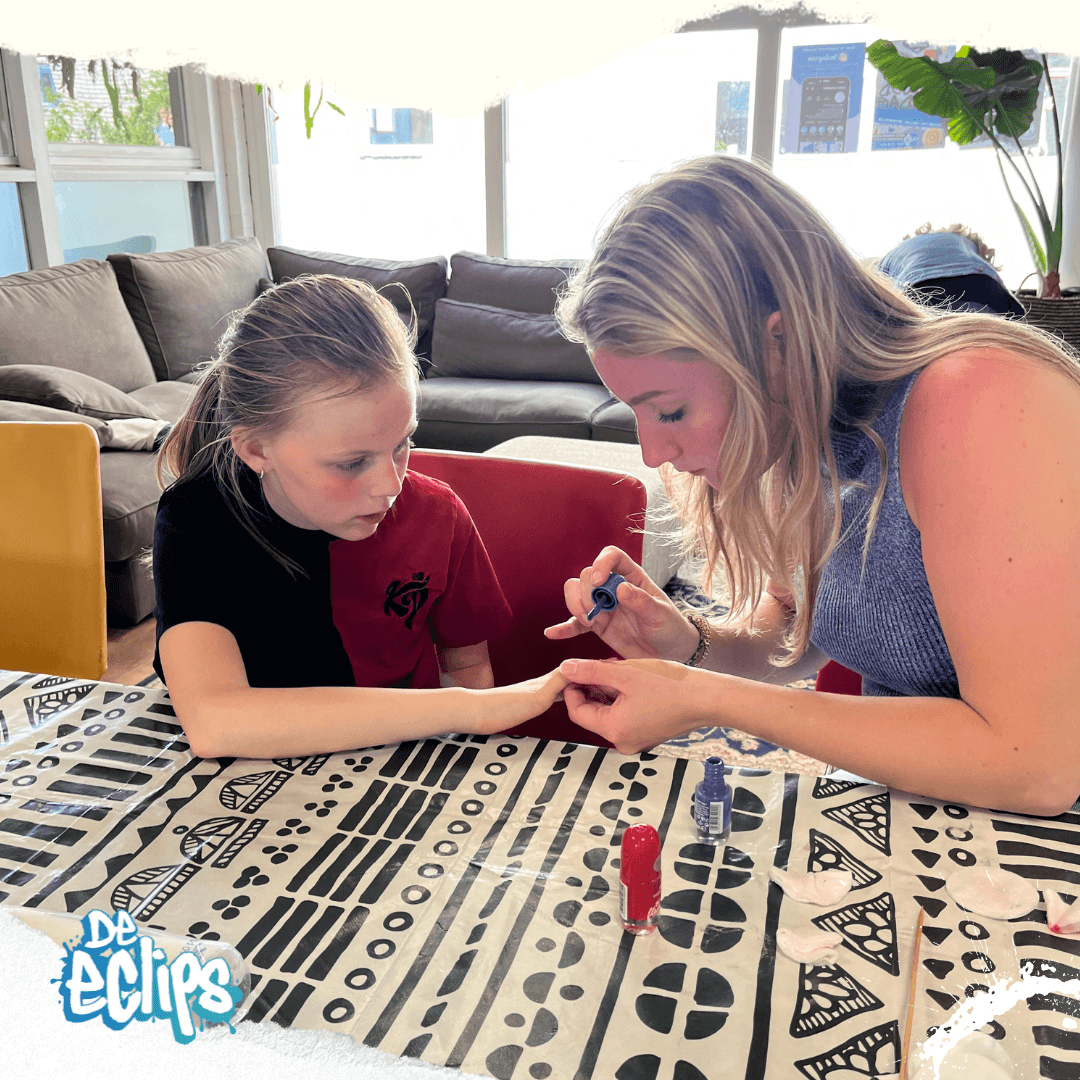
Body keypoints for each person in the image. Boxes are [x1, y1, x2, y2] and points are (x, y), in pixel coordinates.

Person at [544, 155, 1080, 817]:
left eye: (671, 411)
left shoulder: (980, 401)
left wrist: (707, 699)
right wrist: (688, 643)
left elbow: (1035, 767)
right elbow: (800, 629)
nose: (654, 453)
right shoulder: (802, 429)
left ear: (780, 343)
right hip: (928, 818)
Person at [153, 274, 566, 760]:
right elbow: (217, 723)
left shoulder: (437, 515)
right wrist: (468, 709)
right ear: (257, 449)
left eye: (403, 444)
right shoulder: (197, 518)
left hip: (403, 767)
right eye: (352, 463)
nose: (391, 485)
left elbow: (467, 664)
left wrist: (471, 727)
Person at [876, 223, 1027, 319]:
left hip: (917, 288)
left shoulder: (894, 254)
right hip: (980, 283)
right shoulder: (963, 241)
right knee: (994, 331)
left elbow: (874, 288)